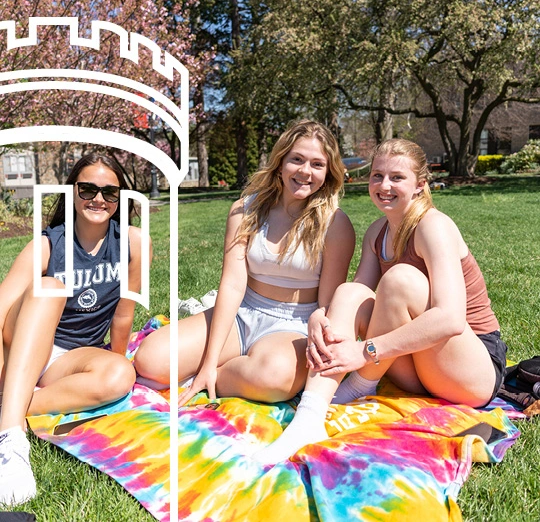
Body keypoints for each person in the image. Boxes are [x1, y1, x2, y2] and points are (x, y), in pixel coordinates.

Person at [253, 138, 507, 465]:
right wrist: (321, 314)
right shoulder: (377, 232)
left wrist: (363, 352)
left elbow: (451, 320)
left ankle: (360, 383)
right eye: (377, 176)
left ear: (419, 186)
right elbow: (358, 296)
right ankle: (310, 417)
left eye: (397, 178)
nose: (384, 186)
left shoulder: (434, 226)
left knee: (400, 280)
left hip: (471, 370)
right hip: (417, 367)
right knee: (347, 292)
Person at [134, 119, 355, 407]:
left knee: (274, 379)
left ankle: (218, 378)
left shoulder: (336, 224)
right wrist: (208, 359)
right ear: (280, 162)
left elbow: (328, 303)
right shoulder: (245, 210)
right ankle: (211, 369)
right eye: (297, 160)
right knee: (150, 360)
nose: (305, 171)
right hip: (243, 313)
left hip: (295, 325)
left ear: (328, 172)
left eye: (317, 164)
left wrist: (212, 370)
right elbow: (233, 284)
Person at [0, 153, 149, 505]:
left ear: (121, 198)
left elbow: (123, 315)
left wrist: (118, 359)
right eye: (88, 189)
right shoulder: (47, 244)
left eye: (109, 192)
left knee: (119, 375)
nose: (98, 199)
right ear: (72, 192)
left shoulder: (133, 242)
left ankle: (12, 403)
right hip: (21, 341)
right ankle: (11, 438)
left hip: (69, 356)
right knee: (50, 287)